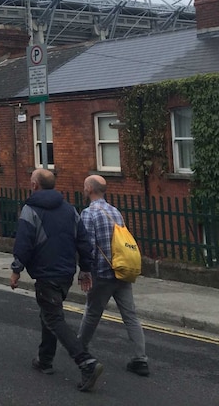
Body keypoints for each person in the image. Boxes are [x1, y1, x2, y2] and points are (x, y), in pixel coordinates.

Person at [10, 168, 103, 392]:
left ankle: (85, 362)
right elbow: (83, 240)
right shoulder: (70, 209)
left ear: (35, 185)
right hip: (65, 273)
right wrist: (85, 270)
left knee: (54, 318)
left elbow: (24, 242)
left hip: (46, 272)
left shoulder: (30, 209)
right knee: (49, 313)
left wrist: (16, 269)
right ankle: (45, 359)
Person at [77, 175, 149, 377]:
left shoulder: (89, 213)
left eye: (84, 186)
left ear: (90, 189)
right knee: (130, 315)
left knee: (92, 312)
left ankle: (79, 349)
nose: (83, 190)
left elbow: (88, 246)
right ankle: (140, 359)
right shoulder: (115, 211)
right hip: (122, 270)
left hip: (102, 273)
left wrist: (85, 273)